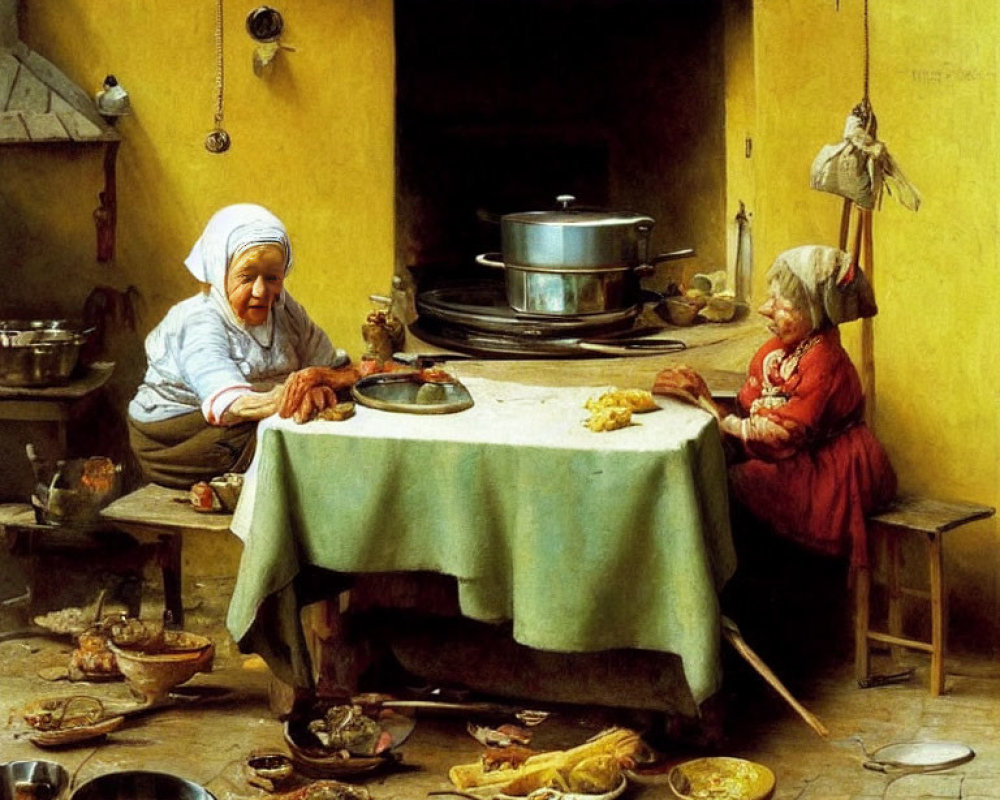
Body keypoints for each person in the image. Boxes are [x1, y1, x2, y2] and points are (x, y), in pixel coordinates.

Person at [653, 244, 897, 569]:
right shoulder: (780, 350)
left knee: (728, 484)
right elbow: (749, 407)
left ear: (814, 310)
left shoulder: (824, 359)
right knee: (712, 470)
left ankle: (748, 589)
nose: (766, 309)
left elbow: (779, 436)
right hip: (797, 457)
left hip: (831, 470)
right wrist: (700, 396)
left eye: (781, 303)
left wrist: (709, 406)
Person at [128, 203, 355, 488]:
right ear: (219, 270)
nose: (261, 291)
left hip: (248, 421)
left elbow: (327, 363)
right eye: (246, 277)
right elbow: (230, 406)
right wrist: (295, 395)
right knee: (292, 437)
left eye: (272, 277)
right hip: (178, 437)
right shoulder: (198, 321)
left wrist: (325, 380)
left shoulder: (285, 310)